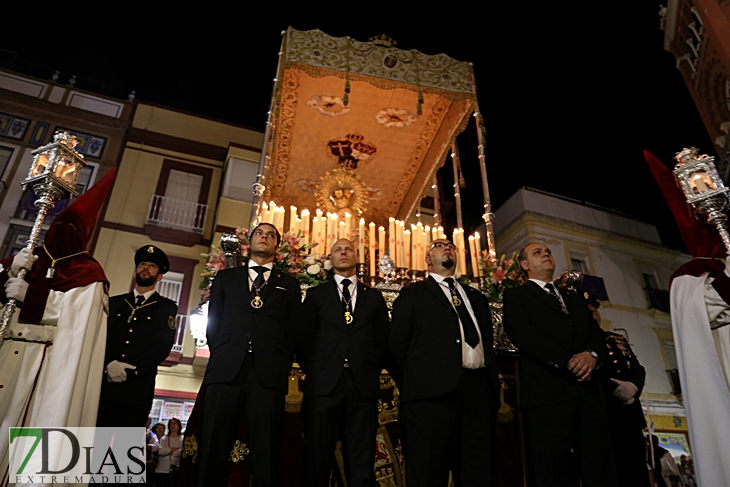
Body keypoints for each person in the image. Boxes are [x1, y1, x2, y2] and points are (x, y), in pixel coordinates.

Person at [0, 169, 115, 482]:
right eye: (60, 224)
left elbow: (79, 322)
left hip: (48, 364)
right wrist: (9, 273)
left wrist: (33, 296)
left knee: (34, 436)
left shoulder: (88, 273)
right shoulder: (29, 258)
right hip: (8, 357)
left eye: (72, 227)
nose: (63, 231)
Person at [502, 242, 617, 487]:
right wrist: (567, 361)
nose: (546, 254)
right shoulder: (517, 296)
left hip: (587, 394)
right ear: (524, 265)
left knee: (600, 468)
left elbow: (595, 333)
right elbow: (523, 334)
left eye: (548, 252)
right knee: (553, 470)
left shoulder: (574, 297)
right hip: (548, 394)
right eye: (537, 253)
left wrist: (592, 355)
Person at [197, 222, 302, 487]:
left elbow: (293, 329)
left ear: (277, 246)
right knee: (213, 445)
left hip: (267, 374)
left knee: (266, 450)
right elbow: (214, 322)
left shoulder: (289, 284)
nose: (264, 237)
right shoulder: (226, 278)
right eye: (259, 233)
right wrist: (223, 351)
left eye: (270, 235)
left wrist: (279, 361)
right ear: (249, 243)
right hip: (226, 369)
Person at [389, 238, 498, 486]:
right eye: (438, 245)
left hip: (477, 393)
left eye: (450, 245)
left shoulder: (476, 297)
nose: (447, 247)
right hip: (431, 395)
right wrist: (421, 377)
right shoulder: (414, 294)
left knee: (477, 471)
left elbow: (487, 344)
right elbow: (397, 343)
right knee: (429, 470)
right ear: (428, 259)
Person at [300, 238, 389, 487]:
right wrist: (318, 369)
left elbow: (383, 340)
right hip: (324, 385)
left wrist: (369, 368)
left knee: (361, 459)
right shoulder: (317, 295)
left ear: (356, 257)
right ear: (331, 259)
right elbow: (304, 338)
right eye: (338, 250)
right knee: (318, 455)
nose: (343, 253)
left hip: (362, 385)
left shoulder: (373, 297)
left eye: (348, 249)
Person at [96, 245, 177, 429]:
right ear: (135, 272)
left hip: (138, 388)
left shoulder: (166, 308)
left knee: (125, 451)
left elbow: (162, 347)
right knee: (96, 447)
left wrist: (133, 371)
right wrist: (108, 363)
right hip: (106, 384)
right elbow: (101, 337)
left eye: (152, 266)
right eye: (142, 264)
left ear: (159, 276)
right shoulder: (114, 302)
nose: (145, 268)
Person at [588, 293, 649, 487]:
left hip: (629, 415)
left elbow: (637, 368)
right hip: (606, 415)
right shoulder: (583, 344)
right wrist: (614, 388)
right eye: (588, 309)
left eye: (595, 308)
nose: (593, 312)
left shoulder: (616, 339)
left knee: (637, 473)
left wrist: (633, 387)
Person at [157, 418, 183, 487]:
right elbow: (161, 451)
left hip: (175, 469)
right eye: (171, 423)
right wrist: (172, 449)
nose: (172, 425)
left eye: (175, 423)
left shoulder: (182, 438)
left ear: (179, 426)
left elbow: (181, 451)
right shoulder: (164, 438)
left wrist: (172, 452)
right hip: (162, 469)